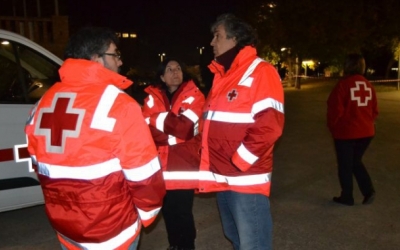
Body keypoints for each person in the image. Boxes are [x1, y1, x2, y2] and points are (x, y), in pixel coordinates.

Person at [24, 26, 166, 250]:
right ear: (95, 59)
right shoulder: (119, 104)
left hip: (65, 227)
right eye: (115, 54)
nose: (120, 62)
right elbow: (144, 175)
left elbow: (37, 162)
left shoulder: (43, 102)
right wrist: (146, 215)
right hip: (111, 231)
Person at [198, 14, 285, 250]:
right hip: (223, 177)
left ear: (235, 38)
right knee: (236, 238)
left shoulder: (261, 71)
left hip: (245, 179)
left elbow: (269, 127)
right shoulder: (223, 75)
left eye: (217, 36)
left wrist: (239, 162)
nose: (212, 42)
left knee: (253, 244)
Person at [142, 58, 205, 250]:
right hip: (159, 168)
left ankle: (187, 246)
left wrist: (156, 120)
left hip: (183, 167)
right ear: (161, 76)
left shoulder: (195, 95)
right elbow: (146, 131)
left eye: (178, 68)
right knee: (168, 212)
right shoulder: (151, 97)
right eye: (169, 69)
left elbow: (186, 129)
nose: (175, 72)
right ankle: (174, 245)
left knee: (183, 213)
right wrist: (172, 128)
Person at [327, 53, 377, 206]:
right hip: (366, 132)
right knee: (355, 161)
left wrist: (334, 128)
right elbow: (374, 110)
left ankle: (347, 196)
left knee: (345, 165)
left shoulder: (343, 85)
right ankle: (368, 191)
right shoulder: (368, 85)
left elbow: (335, 110)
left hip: (347, 132)